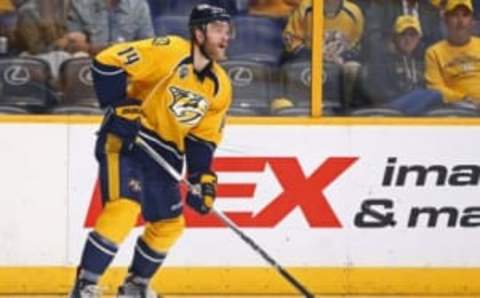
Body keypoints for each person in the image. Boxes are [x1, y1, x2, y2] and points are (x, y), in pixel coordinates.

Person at [69, 3, 233, 297]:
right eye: (218, 29)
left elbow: (202, 139)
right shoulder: (169, 50)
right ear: (198, 33)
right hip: (127, 142)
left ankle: (135, 286)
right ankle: (85, 285)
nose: (226, 37)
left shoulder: (221, 86)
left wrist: (201, 177)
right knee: (124, 207)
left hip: (164, 155)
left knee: (170, 224)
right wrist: (121, 107)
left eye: (228, 30)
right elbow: (107, 61)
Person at [360, 15, 442, 115]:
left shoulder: (422, 59)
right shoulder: (382, 59)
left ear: (419, 39)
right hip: (389, 107)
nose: (408, 39)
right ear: (394, 37)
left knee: (435, 96)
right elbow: (378, 93)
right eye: (403, 34)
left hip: (417, 105)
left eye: (412, 35)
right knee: (435, 95)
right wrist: (407, 95)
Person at [425, 0, 480, 105]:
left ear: (472, 21)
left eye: (465, 15)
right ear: (445, 20)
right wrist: (465, 99)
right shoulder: (433, 52)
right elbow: (435, 89)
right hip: (456, 110)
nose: (460, 21)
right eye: (455, 15)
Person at [66, 0, 155, 56]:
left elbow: (148, 45)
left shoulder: (138, 5)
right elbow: (74, 46)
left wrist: (92, 47)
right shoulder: (79, 4)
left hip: (128, 64)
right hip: (90, 64)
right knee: (78, 56)